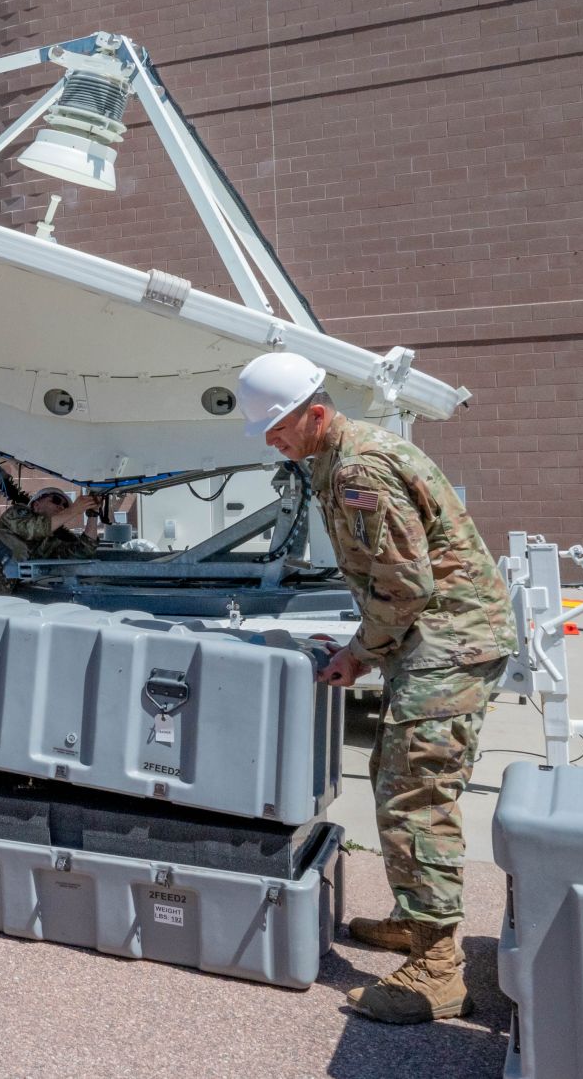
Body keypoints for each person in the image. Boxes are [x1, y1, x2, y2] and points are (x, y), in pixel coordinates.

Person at [239, 351, 513, 1025]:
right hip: (433, 638)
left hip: (450, 640)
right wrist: (367, 648)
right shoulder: (336, 459)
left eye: (279, 426)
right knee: (393, 773)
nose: (273, 439)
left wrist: (362, 651)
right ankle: (417, 919)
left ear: (317, 412)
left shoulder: (360, 468)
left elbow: (404, 582)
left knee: (417, 792)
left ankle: (437, 968)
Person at [0, 486, 100, 597]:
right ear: (36, 504)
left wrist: (92, 515)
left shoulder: (49, 542)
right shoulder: (17, 513)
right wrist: (73, 510)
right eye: (56, 500)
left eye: (65, 506)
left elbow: (83, 550)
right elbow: (33, 529)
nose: (61, 507)